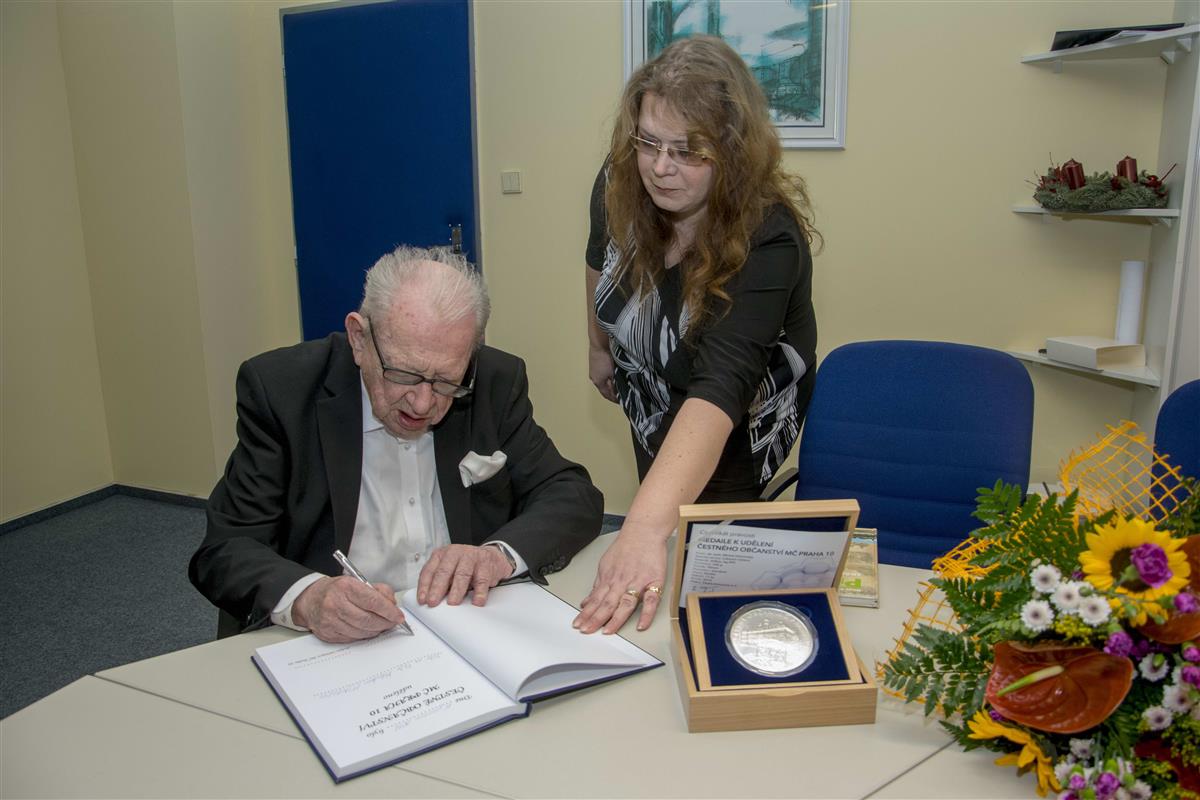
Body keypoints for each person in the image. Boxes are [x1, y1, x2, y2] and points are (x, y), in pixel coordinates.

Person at [191, 245, 603, 643]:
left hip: (461, 624)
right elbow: (227, 548)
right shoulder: (282, 390)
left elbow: (572, 494)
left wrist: (497, 555)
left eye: (446, 381)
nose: (423, 404)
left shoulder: (494, 381)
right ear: (358, 338)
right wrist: (309, 597)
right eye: (404, 375)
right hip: (329, 642)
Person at [576, 36, 819, 635]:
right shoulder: (622, 179)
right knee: (659, 522)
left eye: (688, 151)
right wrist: (599, 346)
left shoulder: (769, 236)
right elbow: (598, 258)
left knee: (706, 568)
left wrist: (639, 529)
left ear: (731, 150)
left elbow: (720, 388)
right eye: (649, 143)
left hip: (736, 416)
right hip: (651, 384)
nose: (661, 167)